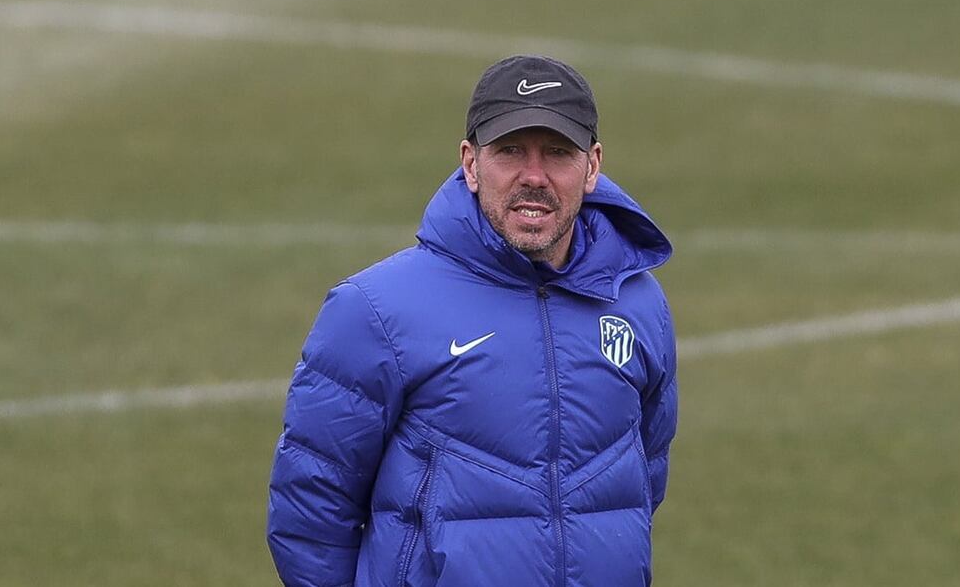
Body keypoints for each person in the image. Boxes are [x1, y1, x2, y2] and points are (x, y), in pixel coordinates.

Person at [267, 55, 678, 586]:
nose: (534, 176)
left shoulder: (637, 302)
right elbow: (310, 509)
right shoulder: (375, 309)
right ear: (471, 163)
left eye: (557, 152)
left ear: (593, 165)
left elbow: (643, 477)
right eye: (510, 150)